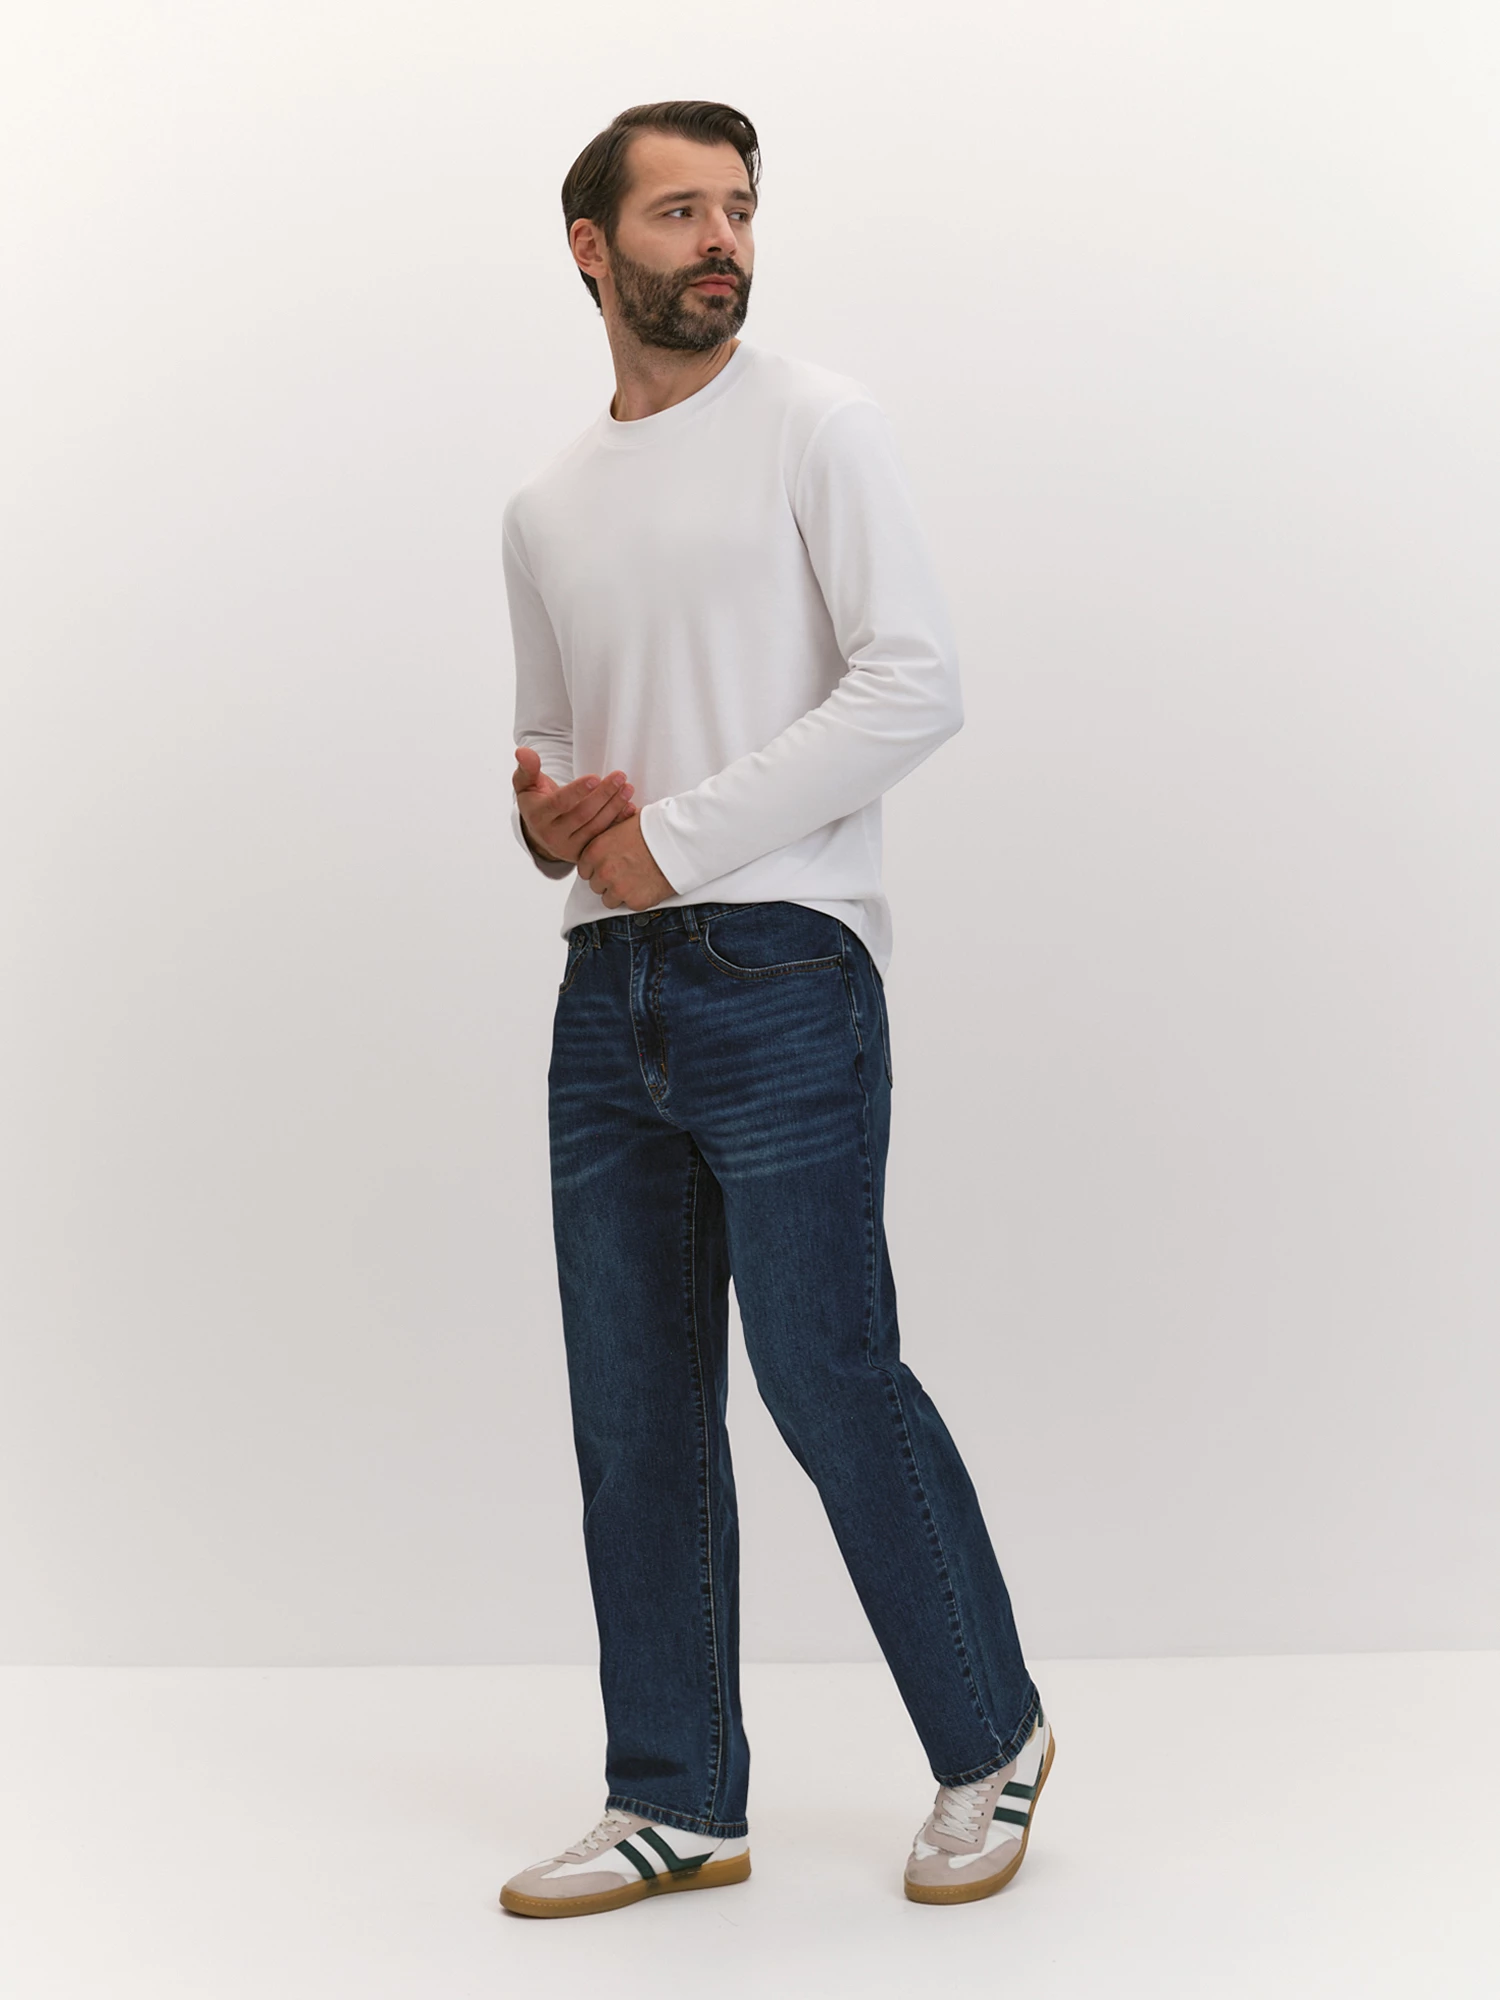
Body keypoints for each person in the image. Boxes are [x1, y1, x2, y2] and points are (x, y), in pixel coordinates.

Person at [497, 99, 1053, 1919]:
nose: (720, 239)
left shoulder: (819, 424)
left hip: (785, 967)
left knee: (827, 1373)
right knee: (633, 1406)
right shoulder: (545, 505)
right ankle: (675, 1796)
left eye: (737, 208)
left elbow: (915, 684)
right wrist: (552, 821)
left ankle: (992, 1739)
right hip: (609, 985)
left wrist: (670, 840)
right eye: (678, 212)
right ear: (593, 248)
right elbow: (553, 743)